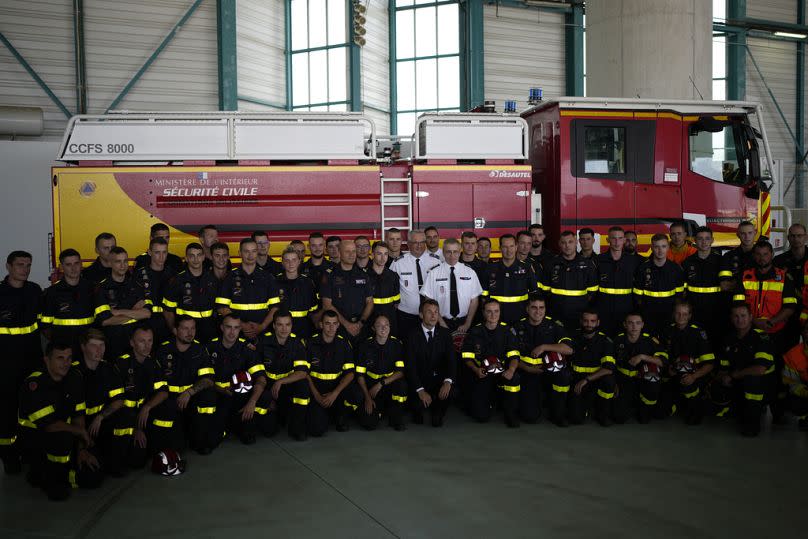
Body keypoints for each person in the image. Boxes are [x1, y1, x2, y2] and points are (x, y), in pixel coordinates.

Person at [17, 341, 104, 501]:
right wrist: (80, 432)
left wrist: (81, 448)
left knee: (94, 474)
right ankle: (51, 480)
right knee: (61, 438)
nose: (66, 363)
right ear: (46, 360)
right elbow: (49, 425)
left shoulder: (74, 377)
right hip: (37, 440)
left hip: (68, 433)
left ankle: (63, 473)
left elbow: (78, 416)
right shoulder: (35, 384)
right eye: (60, 358)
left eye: (69, 358)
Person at [732, 240, 798, 421]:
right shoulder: (745, 276)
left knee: (776, 373)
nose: (762, 258)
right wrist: (753, 322)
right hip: (750, 334)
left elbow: (790, 307)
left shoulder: (783, 277)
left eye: (766, 254)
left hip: (776, 333)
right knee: (751, 369)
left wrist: (770, 323)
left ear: (772, 255)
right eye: (759, 254)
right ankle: (754, 407)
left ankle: (778, 410)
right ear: (754, 256)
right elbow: (738, 304)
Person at [147, 316, 218, 454]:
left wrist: (189, 392)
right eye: (185, 328)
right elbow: (156, 383)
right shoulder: (162, 350)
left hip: (191, 399)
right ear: (175, 331)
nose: (190, 332)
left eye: (192, 328)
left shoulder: (200, 350)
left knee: (209, 396)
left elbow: (208, 379)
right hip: (169, 400)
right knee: (175, 447)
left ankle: (201, 440)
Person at [0, 250, 42, 474]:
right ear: (8, 267)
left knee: (30, 410)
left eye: (28, 265)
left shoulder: (34, 291)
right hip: (5, 365)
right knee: (6, 411)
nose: (24, 269)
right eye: (20, 265)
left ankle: (28, 450)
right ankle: (8, 456)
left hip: (31, 362)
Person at [103, 326, 161, 475]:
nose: (147, 345)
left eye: (150, 341)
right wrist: (136, 429)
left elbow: (164, 392)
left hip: (143, 414)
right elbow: (116, 402)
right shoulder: (121, 364)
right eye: (142, 341)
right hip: (123, 416)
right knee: (131, 462)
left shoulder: (153, 362)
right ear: (132, 343)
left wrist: (147, 407)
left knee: (140, 461)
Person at [206, 314, 270, 445]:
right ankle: (224, 428)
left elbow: (261, 378)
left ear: (240, 329)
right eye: (228, 327)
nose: (232, 332)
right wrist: (220, 390)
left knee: (264, 396)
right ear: (222, 328)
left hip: (240, 396)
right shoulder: (209, 347)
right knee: (213, 440)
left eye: (236, 328)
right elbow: (203, 379)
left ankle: (247, 427)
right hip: (218, 395)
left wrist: (252, 402)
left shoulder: (247, 348)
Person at [712, 302, 775, 437]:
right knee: (715, 390)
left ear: (751, 317)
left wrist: (734, 376)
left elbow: (760, 369)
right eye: (735, 316)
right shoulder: (728, 339)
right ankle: (738, 409)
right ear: (731, 318)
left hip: (763, 385)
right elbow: (723, 368)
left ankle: (753, 424)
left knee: (752, 381)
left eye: (743, 315)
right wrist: (720, 379)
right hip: (739, 381)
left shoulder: (761, 337)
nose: (739, 320)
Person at [461, 300, 521, 427]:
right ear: (483, 313)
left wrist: (511, 370)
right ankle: (487, 404)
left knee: (514, 378)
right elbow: (467, 356)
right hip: (482, 374)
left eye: (496, 311)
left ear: (500, 313)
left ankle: (510, 414)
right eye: (489, 311)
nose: (493, 315)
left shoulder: (507, 330)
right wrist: (476, 369)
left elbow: (514, 355)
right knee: (481, 417)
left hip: (503, 373)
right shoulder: (475, 331)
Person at [514, 295, 573, 424]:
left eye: (541, 307)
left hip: (550, 371)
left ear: (545, 309)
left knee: (563, 376)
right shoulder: (517, 327)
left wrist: (544, 347)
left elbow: (569, 349)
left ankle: (558, 413)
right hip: (527, 372)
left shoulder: (554, 325)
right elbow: (510, 356)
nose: (538, 311)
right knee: (530, 417)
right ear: (527, 309)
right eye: (534, 307)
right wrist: (527, 368)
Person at [216, 238, 281, 343]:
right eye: (246, 251)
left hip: (263, 334)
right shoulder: (230, 277)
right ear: (239, 253)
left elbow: (275, 307)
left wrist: (262, 326)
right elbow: (222, 308)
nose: (250, 255)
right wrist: (241, 325)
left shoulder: (268, 277)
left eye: (254, 251)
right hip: (236, 335)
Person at [305, 310, 360, 436]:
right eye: (327, 323)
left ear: (338, 325)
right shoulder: (311, 343)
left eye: (334, 323)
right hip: (317, 391)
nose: (331, 327)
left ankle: (340, 416)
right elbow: (304, 373)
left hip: (337, 391)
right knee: (317, 430)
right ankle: (323, 416)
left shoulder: (343, 343)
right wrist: (317, 396)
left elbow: (350, 373)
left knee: (356, 392)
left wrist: (335, 393)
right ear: (321, 325)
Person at [660, 301, 714, 425]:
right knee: (660, 413)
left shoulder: (699, 333)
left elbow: (710, 364)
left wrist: (693, 377)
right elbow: (662, 357)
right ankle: (678, 402)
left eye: (685, 314)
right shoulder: (667, 331)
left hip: (693, 378)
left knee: (693, 421)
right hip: (673, 375)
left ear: (690, 316)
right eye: (678, 313)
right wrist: (668, 369)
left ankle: (695, 407)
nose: (681, 317)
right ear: (673, 314)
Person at [260, 311, 310, 440]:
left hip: (287, 387)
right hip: (267, 388)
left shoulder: (297, 343)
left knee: (303, 385)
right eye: (280, 325)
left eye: (287, 324)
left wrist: (280, 381)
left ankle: (297, 429)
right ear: (274, 326)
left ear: (291, 326)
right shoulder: (263, 342)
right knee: (268, 431)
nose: (284, 328)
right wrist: (267, 394)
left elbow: (302, 372)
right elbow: (256, 373)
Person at [94, 246, 151, 360]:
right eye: (118, 261)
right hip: (113, 345)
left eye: (125, 261)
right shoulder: (102, 288)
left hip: (135, 346)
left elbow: (147, 313)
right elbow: (105, 321)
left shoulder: (137, 285)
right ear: (110, 263)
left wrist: (117, 312)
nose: (123, 265)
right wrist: (135, 312)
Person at [406, 299, 456, 427]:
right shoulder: (411, 335)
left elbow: (451, 362)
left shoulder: (445, 334)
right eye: (429, 312)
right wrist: (420, 390)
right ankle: (419, 408)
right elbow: (410, 366)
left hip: (438, 382)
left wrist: (447, 382)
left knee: (437, 420)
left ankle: (437, 410)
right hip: (419, 382)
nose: (434, 315)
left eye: (436, 312)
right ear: (421, 315)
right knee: (418, 416)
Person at [612, 313, 668, 424]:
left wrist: (642, 356)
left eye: (637, 323)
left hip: (644, 381)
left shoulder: (650, 340)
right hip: (624, 381)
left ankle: (644, 408)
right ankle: (631, 404)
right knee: (619, 418)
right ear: (625, 325)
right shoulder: (617, 340)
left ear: (642, 325)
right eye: (630, 323)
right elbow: (610, 365)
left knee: (646, 419)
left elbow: (663, 361)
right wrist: (614, 384)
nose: (634, 326)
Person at [356, 315, 407, 431]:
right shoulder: (365, 345)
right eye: (379, 325)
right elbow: (359, 375)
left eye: (386, 325)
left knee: (402, 386)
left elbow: (400, 372)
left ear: (390, 327)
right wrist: (367, 397)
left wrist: (381, 383)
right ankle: (377, 412)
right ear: (373, 328)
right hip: (370, 388)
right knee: (369, 424)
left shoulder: (396, 344)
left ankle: (396, 417)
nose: (383, 328)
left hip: (388, 384)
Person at [162, 243, 221, 344]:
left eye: (198, 255)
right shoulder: (177, 281)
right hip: (185, 333)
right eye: (192, 256)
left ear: (203, 257)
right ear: (186, 258)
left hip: (209, 331)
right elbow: (168, 311)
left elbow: (219, 308)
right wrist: (173, 329)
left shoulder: (212, 279)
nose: (196, 259)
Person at [565, 309, 616, 426]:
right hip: (576, 380)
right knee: (576, 420)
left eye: (592, 321)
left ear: (598, 322)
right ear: (581, 321)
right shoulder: (573, 336)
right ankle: (585, 408)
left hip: (596, 380)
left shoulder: (605, 341)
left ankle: (602, 414)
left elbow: (608, 368)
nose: (589, 324)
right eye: (586, 321)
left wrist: (586, 380)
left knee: (609, 381)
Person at [420, 238, 482, 333]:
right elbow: (429, 300)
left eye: (455, 252)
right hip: (441, 321)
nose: (452, 256)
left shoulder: (470, 272)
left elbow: (474, 300)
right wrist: (441, 323)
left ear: (460, 252)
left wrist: (468, 323)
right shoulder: (433, 273)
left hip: (464, 321)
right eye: (448, 252)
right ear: (443, 252)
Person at [541, 231, 598, 330]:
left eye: (570, 242)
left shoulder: (588, 265)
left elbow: (592, 293)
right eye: (563, 243)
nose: (567, 246)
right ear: (559, 244)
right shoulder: (550, 264)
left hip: (579, 316)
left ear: (576, 242)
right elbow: (545, 292)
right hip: (556, 314)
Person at [321, 240, 374, 344]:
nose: (352, 255)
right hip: (339, 328)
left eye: (354, 251)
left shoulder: (363, 274)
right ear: (339, 253)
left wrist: (361, 323)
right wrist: (347, 325)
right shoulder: (329, 275)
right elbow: (327, 304)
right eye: (347, 252)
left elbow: (370, 302)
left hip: (361, 328)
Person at [391, 230, 440, 340]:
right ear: (408, 244)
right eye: (415, 242)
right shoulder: (398, 263)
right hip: (406, 315)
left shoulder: (435, 261)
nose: (419, 246)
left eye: (422, 242)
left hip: (431, 315)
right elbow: (391, 288)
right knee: (407, 345)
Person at [42, 249, 96, 348]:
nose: (73, 268)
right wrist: (58, 344)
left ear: (81, 265)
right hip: (64, 349)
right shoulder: (52, 292)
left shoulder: (92, 289)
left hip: (88, 347)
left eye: (76, 263)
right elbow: (45, 326)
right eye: (68, 264)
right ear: (62, 267)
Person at [634, 234, 685, 337]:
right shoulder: (643, 268)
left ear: (668, 247)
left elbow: (679, 297)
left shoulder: (675, 269)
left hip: (668, 315)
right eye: (657, 247)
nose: (660, 250)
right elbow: (637, 296)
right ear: (652, 248)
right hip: (648, 316)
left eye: (663, 246)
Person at [484, 234, 539, 326]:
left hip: (521, 319)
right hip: (496, 319)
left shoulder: (526, 268)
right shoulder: (490, 268)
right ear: (500, 248)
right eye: (505, 247)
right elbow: (484, 297)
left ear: (516, 247)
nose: (508, 250)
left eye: (511, 246)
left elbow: (534, 295)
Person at [595, 226, 640, 336]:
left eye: (620, 238)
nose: (617, 242)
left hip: (626, 312)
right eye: (613, 238)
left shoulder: (634, 262)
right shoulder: (598, 260)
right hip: (604, 312)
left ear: (624, 240)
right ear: (607, 240)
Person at [682, 226, 723, 345]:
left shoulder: (721, 261)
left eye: (707, 238)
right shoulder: (687, 262)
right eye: (700, 238)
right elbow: (684, 289)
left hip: (715, 311)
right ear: (695, 240)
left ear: (712, 240)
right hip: (695, 311)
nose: (704, 242)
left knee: (715, 342)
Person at [134, 237, 176, 344]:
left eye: (164, 252)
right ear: (149, 252)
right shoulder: (139, 275)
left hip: (167, 325)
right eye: (157, 252)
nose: (161, 257)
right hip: (145, 325)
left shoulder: (173, 274)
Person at [774, 223, 808, 350]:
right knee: (788, 349)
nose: (796, 239)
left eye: (800, 236)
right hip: (787, 313)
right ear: (788, 238)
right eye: (793, 236)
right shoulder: (779, 261)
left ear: (806, 237)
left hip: (807, 310)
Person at [276, 247, 319, 339]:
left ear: (299, 261)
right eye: (287, 260)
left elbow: (313, 310)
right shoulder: (275, 282)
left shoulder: (308, 283)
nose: (290, 263)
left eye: (294, 260)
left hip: (304, 328)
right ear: (282, 262)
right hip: (282, 330)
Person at [366, 241, 400, 335]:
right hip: (370, 320)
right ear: (372, 255)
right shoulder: (364, 276)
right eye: (379, 254)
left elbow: (396, 303)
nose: (383, 257)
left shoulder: (393, 276)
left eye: (385, 254)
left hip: (389, 320)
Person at [782, 322, 808, 426]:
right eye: (807, 329)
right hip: (804, 392)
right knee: (794, 403)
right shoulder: (793, 354)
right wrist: (805, 392)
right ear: (803, 333)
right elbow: (790, 382)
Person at [719, 221, 757, 292]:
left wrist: (735, 282)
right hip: (733, 300)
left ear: (755, 233)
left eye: (750, 233)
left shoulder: (761, 256)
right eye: (743, 233)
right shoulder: (728, 256)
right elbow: (724, 286)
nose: (747, 237)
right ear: (738, 235)